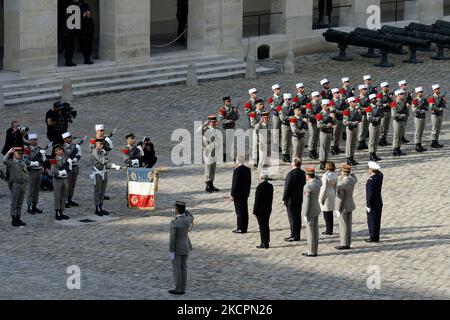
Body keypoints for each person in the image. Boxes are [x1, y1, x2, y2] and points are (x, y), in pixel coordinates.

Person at [90, 139, 121, 216]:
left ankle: (101, 206)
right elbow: (103, 161)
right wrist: (112, 165)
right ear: (96, 144)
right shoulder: (95, 151)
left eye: (102, 144)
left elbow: (106, 164)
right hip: (97, 173)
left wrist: (114, 166)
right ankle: (97, 208)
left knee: (102, 191)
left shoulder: (102, 151)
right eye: (99, 144)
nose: (101, 145)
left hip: (104, 172)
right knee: (97, 191)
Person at [169, 201, 194, 295]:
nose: (174, 209)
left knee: (177, 269)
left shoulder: (174, 223)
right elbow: (191, 216)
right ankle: (183, 288)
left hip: (177, 249)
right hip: (186, 246)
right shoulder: (188, 219)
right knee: (184, 267)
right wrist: (184, 210)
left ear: (177, 209)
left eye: (175, 208)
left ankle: (178, 289)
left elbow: (172, 239)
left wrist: (171, 251)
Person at [3, 147, 28, 227]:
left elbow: (25, 172)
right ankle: (13, 219)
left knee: (20, 202)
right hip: (16, 184)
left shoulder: (22, 162)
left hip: (23, 184)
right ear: (14, 154)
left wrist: (26, 182)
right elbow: (4, 160)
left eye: (21, 153)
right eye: (18, 153)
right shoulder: (11, 163)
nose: (20, 155)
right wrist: (9, 152)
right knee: (14, 203)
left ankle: (18, 217)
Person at [283, 158, 306, 242]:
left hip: (291, 199)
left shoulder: (291, 174)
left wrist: (284, 199)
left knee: (292, 218)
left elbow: (287, 188)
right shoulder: (303, 173)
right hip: (299, 198)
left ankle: (293, 235)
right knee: (297, 217)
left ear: (294, 164)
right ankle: (297, 235)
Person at [335, 164, 357, 250]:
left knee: (343, 226)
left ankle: (344, 243)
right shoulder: (352, 180)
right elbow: (355, 178)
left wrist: (337, 209)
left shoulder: (342, 184)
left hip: (343, 206)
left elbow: (340, 198)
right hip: (350, 204)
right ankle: (348, 242)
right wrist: (350, 173)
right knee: (348, 225)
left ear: (344, 173)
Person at [198, 115, 221, 193]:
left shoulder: (217, 129)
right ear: (209, 122)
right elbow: (197, 132)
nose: (214, 123)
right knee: (208, 168)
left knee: (213, 168)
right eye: (213, 122)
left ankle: (211, 184)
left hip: (215, 150)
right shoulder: (206, 129)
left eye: (215, 122)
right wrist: (204, 124)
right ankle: (207, 185)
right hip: (208, 151)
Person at [302, 167, 322, 257]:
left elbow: (307, 202)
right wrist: (314, 174)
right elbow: (318, 179)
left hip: (310, 210)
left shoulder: (307, 186)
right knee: (315, 231)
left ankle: (311, 251)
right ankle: (315, 249)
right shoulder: (318, 183)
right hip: (316, 208)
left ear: (307, 176)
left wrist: (305, 214)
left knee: (310, 231)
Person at [23, 133, 45, 214]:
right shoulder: (27, 150)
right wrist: (34, 163)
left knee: (37, 189)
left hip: (39, 171)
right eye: (33, 140)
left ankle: (34, 205)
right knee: (31, 190)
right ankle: (29, 206)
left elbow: (43, 160)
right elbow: (25, 160)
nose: (35, 141)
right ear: (29, 141)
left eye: (36, 139)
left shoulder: (39, 149)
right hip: (32, 171)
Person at [230, 155, 251, 234]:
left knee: (239, 211)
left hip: (238, 195)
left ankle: (240, 227)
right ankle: (244, 227)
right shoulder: (248, 170)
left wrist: (232, 194)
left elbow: (234, 184)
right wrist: (248, 192)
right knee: (245, 211)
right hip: (245, 193)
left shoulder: (237, 171)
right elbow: (249, 182)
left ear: (238, 161)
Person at [50, 144, 71, 220]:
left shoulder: (66, 158)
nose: (58, 151)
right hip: (58, 180)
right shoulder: (53, 159)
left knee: (64, 196)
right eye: (56, 150)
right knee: (57, 196)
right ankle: (57, 212)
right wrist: (60, 172)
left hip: (65, 179)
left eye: (60, 149)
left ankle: (62, 211)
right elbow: (53, 170)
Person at [253, 173, 274, 249]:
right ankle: (266, 241)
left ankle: (264, 242)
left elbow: (257, 201)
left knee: (262, 227)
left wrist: (255, 211)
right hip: (268, 209)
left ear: (261, 178)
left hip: (260, 210)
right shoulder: (270, 186)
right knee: (266, 225)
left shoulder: (260, 187)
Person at [218, 97, 240, 162]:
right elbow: (220, 120)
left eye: (230, 101)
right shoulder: (223, 110)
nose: (229, 102)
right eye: (227, 101)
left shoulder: (233, 108)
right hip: (225, 128)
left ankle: (228, 156)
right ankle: (223, 157)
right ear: (224, 102)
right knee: (224, 143)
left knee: (230, 143)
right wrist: (228, 121)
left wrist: (235, 112)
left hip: (232, 128)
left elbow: (237, 118)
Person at [366, 161, 384, 243]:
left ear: (372, 170)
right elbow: (380, 173)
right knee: (377, 220)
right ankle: (376, 236)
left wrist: (368, 205)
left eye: (369, 169)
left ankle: (372, 237)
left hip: (372, 203)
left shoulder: (370, 180)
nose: (368, 170)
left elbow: (370, 194)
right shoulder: (380, 176)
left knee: (372, 221)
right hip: (379, 201)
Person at [62, 132, 81, 208]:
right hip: (67, 168)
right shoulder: (62, 147)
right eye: (68, 138)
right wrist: (69, 160)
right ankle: (65, 200)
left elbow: (79, 155)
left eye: (70, 138)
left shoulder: (75, 146)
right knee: (67, 184)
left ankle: (70, 198)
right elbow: (62, 157)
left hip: (75, 167)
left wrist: (77, 159)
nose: (69, 139)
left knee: (73, 184)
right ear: (65, 139)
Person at [319, 161, 338, 235]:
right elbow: (336, 186)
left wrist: (321, 198)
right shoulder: (335, 175)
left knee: (326, 213)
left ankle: (328, 229)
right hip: (332, 193)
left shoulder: (325, 175)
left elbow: (324, 188)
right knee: (330, 213)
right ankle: (330, 229)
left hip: (326, 194)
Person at [317, 99, 335, 170]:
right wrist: (328, 125)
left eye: (328, 105)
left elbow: (335, 122)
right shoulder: (320, 114)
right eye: (325, 105)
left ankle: (326, 161)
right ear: (322, 105)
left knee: (327, 148)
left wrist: (333, 117)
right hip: (323, 132)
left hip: (330, 132)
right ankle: (322, 162)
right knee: (323, 148)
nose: (326, 106)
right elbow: (319, 125)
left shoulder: (331, 113)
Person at [343, 97, 361, 166]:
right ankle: (348, 158)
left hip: (355, 128)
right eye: (353, 102)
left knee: (353, 143)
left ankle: (352, 157)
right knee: (349, 143)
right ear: (350, 103)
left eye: (355, 101)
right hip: (350, 128)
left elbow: (360, 119)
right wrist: (353, 123)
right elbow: (345, 122)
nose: (355, 103)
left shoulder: (356, 110)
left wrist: (359, 113)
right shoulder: (347, 111)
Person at [366, 93, 384, 161]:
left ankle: (374, 153)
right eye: (373, 99)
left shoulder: (378, 106)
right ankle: (371, 153)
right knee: (372, 140)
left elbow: (382, 114)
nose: (375, 100)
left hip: (378, 124)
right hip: (372, 125)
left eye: (375, 99)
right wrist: (376, 118)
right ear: (371, 100)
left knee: (376, 140)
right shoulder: (369, 108)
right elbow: (369, 118)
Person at [255, 111, 272, 177]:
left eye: (267, 117)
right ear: (262, 118)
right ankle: (261, 175)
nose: (267, 119)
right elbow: (256, 129)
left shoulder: (269, 124)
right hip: (262, 144)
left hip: (269, 144)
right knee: (262, 160)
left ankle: (266, 174)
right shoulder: (260, 125)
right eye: (265, 118)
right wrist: (260, 122)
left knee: (267, 160)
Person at [392, 90, 409, 156]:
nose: (402, 95)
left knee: (400, 135)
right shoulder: (394, 103)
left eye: (402, 94)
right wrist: (401, 115)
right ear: (397, 95)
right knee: (396, 135)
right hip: (397, 121)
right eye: (400, 94)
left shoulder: (404, 103)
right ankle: (395, 149)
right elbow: (393, 114)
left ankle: (398, 148)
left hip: (402, 121)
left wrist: (406, 115)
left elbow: (407, 112)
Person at [429, 84, 446, 148]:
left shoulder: (440, 97)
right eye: (437, 89)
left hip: (440, 115)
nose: (438, 90)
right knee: (434, 129)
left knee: (438, 129)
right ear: (434, 90)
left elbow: (443, 105)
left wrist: (443, 101)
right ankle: (433, 142)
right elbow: (432, 107)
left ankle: (436, 141)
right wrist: (439, 109)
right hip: (435, 115)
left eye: (439, 89)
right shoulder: (432, 97)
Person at [412, 87, 428, 152]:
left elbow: (426, 107)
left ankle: (420, 144)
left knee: (421, 131)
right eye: (420, 92)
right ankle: (417, 145)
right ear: (417, 93)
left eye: (422, 92)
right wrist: (422, 110)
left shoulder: (424, 100)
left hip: (423, 117)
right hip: (418, 117)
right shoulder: (415, 100)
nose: (421, 93)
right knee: (417, 131)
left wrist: (424, 109)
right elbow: (414, 109)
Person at [249, 99, 265, 167]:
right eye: (260, 104)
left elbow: (267, 122)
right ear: (256, 106)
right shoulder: (253, 113)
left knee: (262, 147)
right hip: (256, 131)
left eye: (262, 104)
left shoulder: (264, 113)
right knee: (255, 146)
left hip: (263, 131)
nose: (262, 106)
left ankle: (261, 160)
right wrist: (261, 121)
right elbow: (253, 124)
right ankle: (255, 160)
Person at [279, 93, 294, 163]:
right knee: (284, 141)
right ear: (284, 99)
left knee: (289, 141)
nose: (288, 101)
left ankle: (288, 154)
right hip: (285, 125)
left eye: (289, 99)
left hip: (291, 125)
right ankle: (284, 155)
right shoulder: (281, 107)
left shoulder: (292, 107)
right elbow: (282, 118)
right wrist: (291, 117)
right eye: (287, 99)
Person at [268, 84, 284, 152]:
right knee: (275, 131)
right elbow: (273, 107)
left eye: (279, 89)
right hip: (276, 116)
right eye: (276, 89)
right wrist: (280, 108)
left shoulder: (282, 97)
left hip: (282, 115)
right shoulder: (271, 98)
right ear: (274, 90)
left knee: (280, 131)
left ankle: (278, 145)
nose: (278, 90)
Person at [306, 91, 322, 159]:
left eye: (318, 96)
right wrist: (317, 116)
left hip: (317, 122)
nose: (317, 98)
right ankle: (310, 151)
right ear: (313, 97)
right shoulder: (309, 105)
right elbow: (309, 114)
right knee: (312, 136)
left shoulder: (320, 104)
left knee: (316, 137)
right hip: (312, 122)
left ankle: (314, 150)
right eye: (316, 97)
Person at [379, 82, 393, 147]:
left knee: (386, 127)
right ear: (382, 88)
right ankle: (381, 140)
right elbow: (378, 104)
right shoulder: (380, 95)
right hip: (383, 112)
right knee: (382, 127)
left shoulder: (389, 95)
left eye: (387, 87)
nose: (387, 88)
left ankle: (384, 139)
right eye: (385, 87)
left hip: (388, 112)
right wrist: (385, 104)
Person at [357, 84, 370, 151]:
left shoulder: (368, 98)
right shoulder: (358, 99)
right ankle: (360, 142)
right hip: (361, 115)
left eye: (365, 89)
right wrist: (366, 109)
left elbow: (370, 106)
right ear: (360, 90)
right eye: (363, 90)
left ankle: (364, 141)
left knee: (365, 128)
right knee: (361, 129)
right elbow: (358, 107)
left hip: (367, 115)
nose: (365, 91)